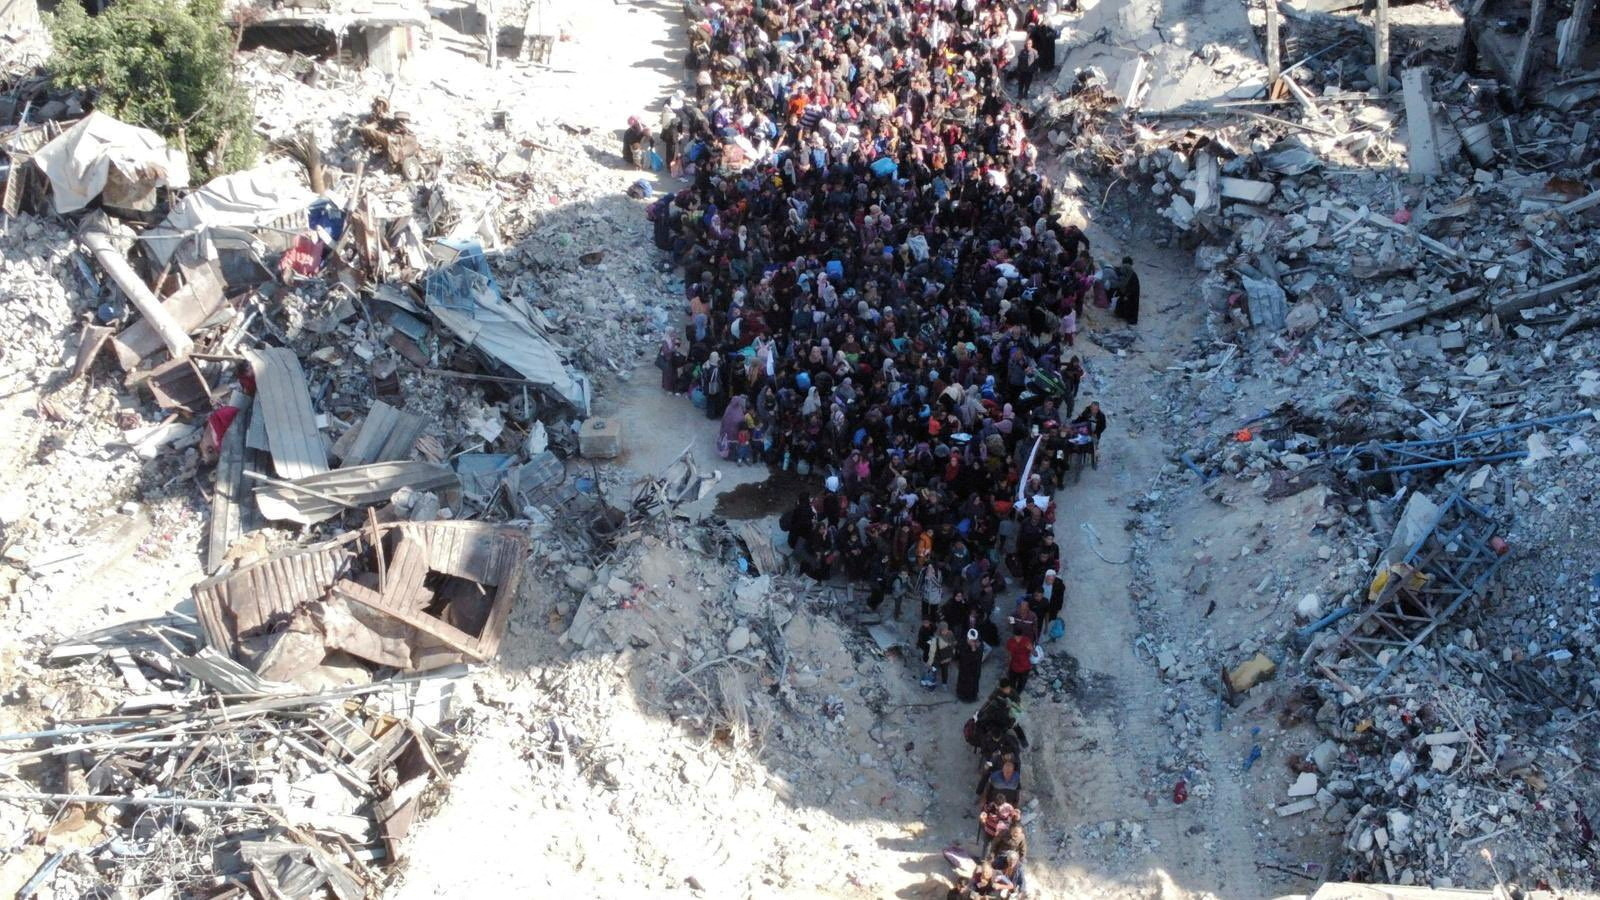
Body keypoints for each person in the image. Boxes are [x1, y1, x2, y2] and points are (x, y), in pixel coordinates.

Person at [955, 628, 985, 702]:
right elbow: (963, 656)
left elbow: (978, 657)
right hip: (964, 669)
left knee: (973, 683)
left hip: (975, 669)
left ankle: (972, 697)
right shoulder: (963, 642)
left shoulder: (979, 644)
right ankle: (962, 695)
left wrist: (974, 649)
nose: (971, 642)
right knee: (964, 682)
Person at [1112, 256, 1141, 325]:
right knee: (1121, 303)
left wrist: (1127, 295)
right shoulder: (1128, 273)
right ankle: (1121, 315)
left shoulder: (1133, 276)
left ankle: (1130, 319)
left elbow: (1133, 288)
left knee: (1130, 306)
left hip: (1131, 295)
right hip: (1126, 293)